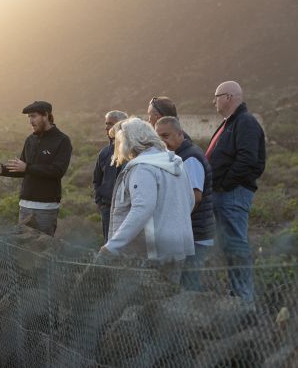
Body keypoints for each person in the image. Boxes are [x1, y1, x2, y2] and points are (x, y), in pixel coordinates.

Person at [98, 118, 195, 281]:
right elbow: (190, 201)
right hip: (178, 248)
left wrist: (112, 247)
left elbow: (142, 209)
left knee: (144, 302)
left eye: (120, 142)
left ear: (130, 142)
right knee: (167, 299)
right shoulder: (175, 163)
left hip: (150, 252)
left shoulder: (142, 168)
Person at [206, 81, 266, 303]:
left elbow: (248, 159)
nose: (214, 101)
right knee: (230, 244)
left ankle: (244, 299)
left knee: (236, 244)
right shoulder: (231, 123)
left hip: (233, 193)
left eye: (217, 96)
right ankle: (236, 297)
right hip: (224, 193)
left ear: (229, 97)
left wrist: (225, 184)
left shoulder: (245, 122)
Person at [0, 101, 72, 236]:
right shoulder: (30, 140)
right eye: (29, 117)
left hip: (46, 208)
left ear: (46, 115)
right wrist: (3, 170)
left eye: (33, 116)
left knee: (42, 250)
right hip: (25, 207)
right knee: (22, 251)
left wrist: (27, 168)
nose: (30, 121)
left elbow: (57, 171)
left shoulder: (62, 140)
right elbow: (23, 169)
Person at [155, 116, 215, 290]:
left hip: (195, 235)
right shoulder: (180, 155)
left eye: (166, 135)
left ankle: (191, 317)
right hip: (191, 233)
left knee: (189, 285)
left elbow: (195, 198)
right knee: (185, 283)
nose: (163, 141)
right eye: (158, 137)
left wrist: (174, 222)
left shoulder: (190, 159)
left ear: (180, 133)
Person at [93, 110, 128, 242]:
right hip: (107, 210)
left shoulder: (132, 152)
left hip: (127, 211)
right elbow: (96, 180)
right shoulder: (104, 153)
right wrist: (100, 203)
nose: (106, 127)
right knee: (109, 246)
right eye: (106, 124)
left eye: (110, 124)